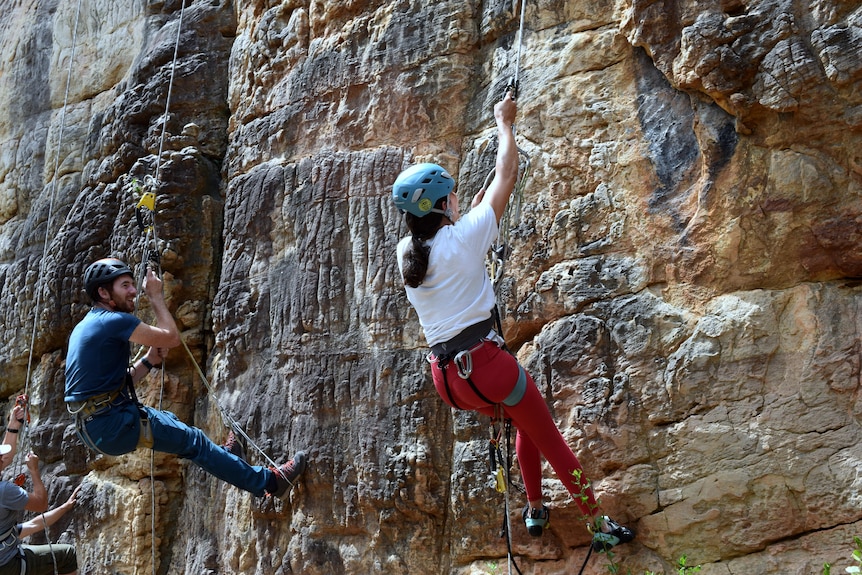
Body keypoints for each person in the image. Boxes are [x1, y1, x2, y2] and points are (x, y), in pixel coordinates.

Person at [391, 92, 634, 551]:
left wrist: (468, 211)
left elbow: (451, 237)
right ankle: (598, 524)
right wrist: (505, 122)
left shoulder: (408, 254)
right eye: (453, 198)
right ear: (444, 206)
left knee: (523, 424)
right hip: (487, 367)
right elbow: (508, 172)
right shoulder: (464, 238)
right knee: (550, 437)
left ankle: (536, 510)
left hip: (449, 382)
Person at [64, 258, 306, 500]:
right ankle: (271, 483)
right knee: (194, 441)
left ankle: (227, 459)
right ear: (104, 292)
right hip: (110, 423)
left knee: (174, 426)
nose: (134, 292)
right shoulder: (114, 321)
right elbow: (171, 338)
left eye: (132, 285)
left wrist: (148, 362)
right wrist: (156, 296)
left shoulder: (86, 325)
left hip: (96, 426)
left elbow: (110, 385)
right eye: (125, 285)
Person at [0, 405, 79, 575]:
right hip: (7, 564)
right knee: (68, 554)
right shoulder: (5, 491)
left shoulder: (6, 529)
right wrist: (34, 471)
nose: (4, 459)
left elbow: (34, 524)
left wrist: (14, 425)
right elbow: (41, 504)